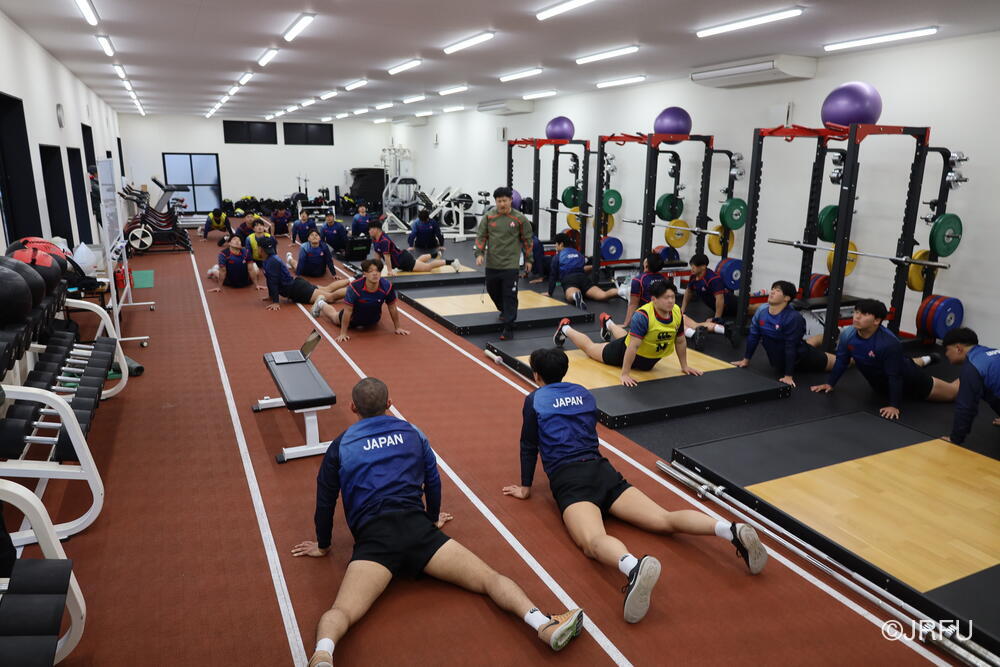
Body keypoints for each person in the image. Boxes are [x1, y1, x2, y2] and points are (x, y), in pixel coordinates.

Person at [292, 377, 584, 667]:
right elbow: (433, 482)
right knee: (489, 579)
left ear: (353, 407)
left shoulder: (341, 445)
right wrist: (431, 520)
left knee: (342, 611)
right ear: (390, 403)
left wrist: (323, 544)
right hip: (420, 534)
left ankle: (323, 654)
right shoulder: (413, 433)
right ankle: (542, 623)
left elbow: (325, 499)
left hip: (375, 542)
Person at [503, 348, 766, 623]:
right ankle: (729, 529)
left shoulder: (534, 400)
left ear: (536, 375)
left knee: (592, 542)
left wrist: (525, 486)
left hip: (572, 481)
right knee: (664, 519)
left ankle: (632, 566)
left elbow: (528, 444)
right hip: (604, 471)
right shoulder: (584, 393)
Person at [810, 299, 957, 419]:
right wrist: (830, 384)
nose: (857, 317)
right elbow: (842, 361)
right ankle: (928, 359)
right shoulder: (848, 335)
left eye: (864, 314)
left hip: (914, 383)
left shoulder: (888, 343)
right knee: (901, 362)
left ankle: (970, 371)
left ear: (877, 320)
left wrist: (894, 405)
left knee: (953, 392)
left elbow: (895, 376)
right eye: (856, 312)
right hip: (882, 384)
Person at [553, 281, 702, 387]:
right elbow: (633, 347)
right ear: (654, 299)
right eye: (666, 298)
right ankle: (565, 328)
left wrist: (684, 366)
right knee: (591, 348)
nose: (670, 301)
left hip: (647, 358)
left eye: (673, 297)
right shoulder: (643, 316)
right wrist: (625, 374)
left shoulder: (676, 312)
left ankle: (608, 323)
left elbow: (680, 341)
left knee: (630, 336)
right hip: (622, 352)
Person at [731, 280, 835, 386]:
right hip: (782, 360)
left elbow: (791, 346)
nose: (772, 292)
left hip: (801, 359)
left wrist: (788, 375)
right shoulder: (762, 313)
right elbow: (753, 337)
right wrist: (746, 360)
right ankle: (827, 336)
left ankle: (837, 338)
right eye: (772, 289)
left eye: (777, 291)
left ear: (786, 298)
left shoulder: (793, 318)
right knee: (805, 343)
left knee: (839, 362)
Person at [475, 187, 533, 340]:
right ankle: (504, 311)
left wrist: (529, 259)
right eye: (499, 201)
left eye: (505, 200)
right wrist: (479, 253)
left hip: (510, 265)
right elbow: (481, 236)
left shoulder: (520, 218)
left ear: (511, 200)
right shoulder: (489, 217)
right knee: (492, 290)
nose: (502, 204)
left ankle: (509, 327)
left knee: (510, 295)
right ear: (495, 201)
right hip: (492, 263)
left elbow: (527, 240)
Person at [310, 259, 410, 341]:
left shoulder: (387, 286)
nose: (375, 274)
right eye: (371, 271)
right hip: (353, 319)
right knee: (334, 317)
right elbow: (348, 311)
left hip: (372, 320)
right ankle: (321, 303)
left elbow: (392, 307)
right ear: (364, 274)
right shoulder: (354, 288)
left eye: (377, 271)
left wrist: (398, 327)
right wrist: (343, 333)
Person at [259, 237, 350, 313]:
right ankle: (352, 280)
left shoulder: (272, 261)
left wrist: (276, 302)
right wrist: (271, 296)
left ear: (261, 249)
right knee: (327, 289)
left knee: (330, 298)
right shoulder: (267, 260)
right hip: (298, 285)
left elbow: (273, 282)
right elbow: (269, 280)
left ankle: (353, 290)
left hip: (298, 291)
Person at [942, 327, 1000, 443]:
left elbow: (966, 407)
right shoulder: (991, 352)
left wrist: (956, 439)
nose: (946, 354)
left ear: (958, 348)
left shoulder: (972, 367)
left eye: (947, 350)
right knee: (990, 388)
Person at [679, 253, 737, 350]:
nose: (692, 269)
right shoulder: (693, 277)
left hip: (730, 304)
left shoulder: (713, 279)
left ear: (703, 267)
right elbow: (688, 291)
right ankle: (725, 330)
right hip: (715, 306)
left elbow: (720, 299)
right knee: (697, 324)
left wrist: (716, 319)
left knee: (750, 309)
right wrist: (682, 309)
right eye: (691, 266)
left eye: (694, 266)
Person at [548, 233, 619, 310]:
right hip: (583, 278)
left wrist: (550, 292)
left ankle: (575, 295)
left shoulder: (557, 257)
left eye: (556, 244)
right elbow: (583, 267)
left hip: (569, 280)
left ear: (561, 244)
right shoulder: (578, 253)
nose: (555, 246)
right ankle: (622, 291)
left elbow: (553, 276)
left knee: (569, 296)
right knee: (603, 295)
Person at [368, 221, 458, 275]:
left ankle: (452, 262)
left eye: (370, 229)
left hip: (404, 260)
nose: (369, 231)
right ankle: (435, 254)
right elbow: (377, 255)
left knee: (427, 267)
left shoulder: (384, 241)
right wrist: (376, 268)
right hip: (401, 260)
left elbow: (387, 257)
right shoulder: (375, 239)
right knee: (418, 261)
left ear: (376, 229)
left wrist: (389, 271)